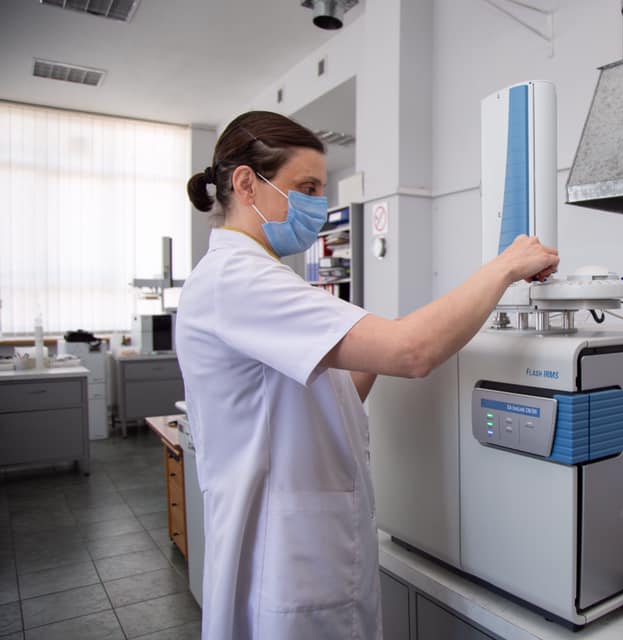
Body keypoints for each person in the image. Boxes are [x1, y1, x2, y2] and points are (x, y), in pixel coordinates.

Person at [178, 110, 558, 639]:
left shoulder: (261, 277)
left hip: (312, 545)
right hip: (282, 561)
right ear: (246, 183)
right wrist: (504, 266)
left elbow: (340, 393)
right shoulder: (237, 280)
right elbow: (413, 353)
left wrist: (381, 342)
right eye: (306, 188)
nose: (317, 205)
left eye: (321, 189)